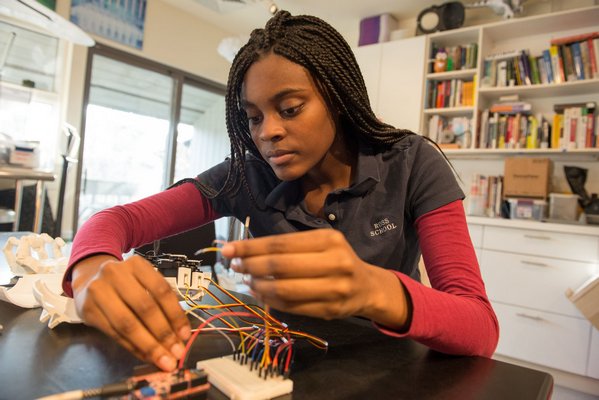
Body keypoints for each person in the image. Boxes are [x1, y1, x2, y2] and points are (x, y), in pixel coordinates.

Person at [63, 11, 499, 372]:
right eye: (253, 118)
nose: (268, 132)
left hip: (390, 373)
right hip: (280, 368)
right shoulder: (245, 176)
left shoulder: (412, 162)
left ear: (337, 96)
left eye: (290, 109)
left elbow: (479, 327)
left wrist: (375, 290)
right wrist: (89, 269)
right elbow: (115, 221)